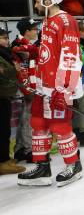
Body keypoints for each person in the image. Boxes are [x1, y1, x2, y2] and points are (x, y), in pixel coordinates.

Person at [17, 0, 83, 187]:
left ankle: (73, 165)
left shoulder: (66, 20)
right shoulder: (46, 21)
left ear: (48, 0)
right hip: (44, 85)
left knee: (60, 126)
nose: (35, 4)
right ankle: (42, 166)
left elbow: (71, 56)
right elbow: (49, 53)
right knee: (39, 123)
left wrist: (64, 89)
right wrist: (32, 50)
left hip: (58, 87)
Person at [10, 17, 40, 163]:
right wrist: (28, 90)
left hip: (29, 87)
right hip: (24, 88)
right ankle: (28, 150)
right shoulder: (18, 45)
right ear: (27, 31)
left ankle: (20, 149)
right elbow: (21, 70)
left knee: (24, 118)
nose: (37, 31)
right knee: (27, 119)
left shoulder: (26, 44)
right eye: (34, 29)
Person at [0, 27, 26, 176]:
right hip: (1, 95)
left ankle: (4, 158)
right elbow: (5, 72)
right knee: (2, 130)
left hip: (5, 95)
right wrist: (13, 69)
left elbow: (5, 70)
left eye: (6, 37)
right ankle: (2, 163)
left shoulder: (5, 53)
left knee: (5, 129)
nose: (6, 40)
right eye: (3, 37)